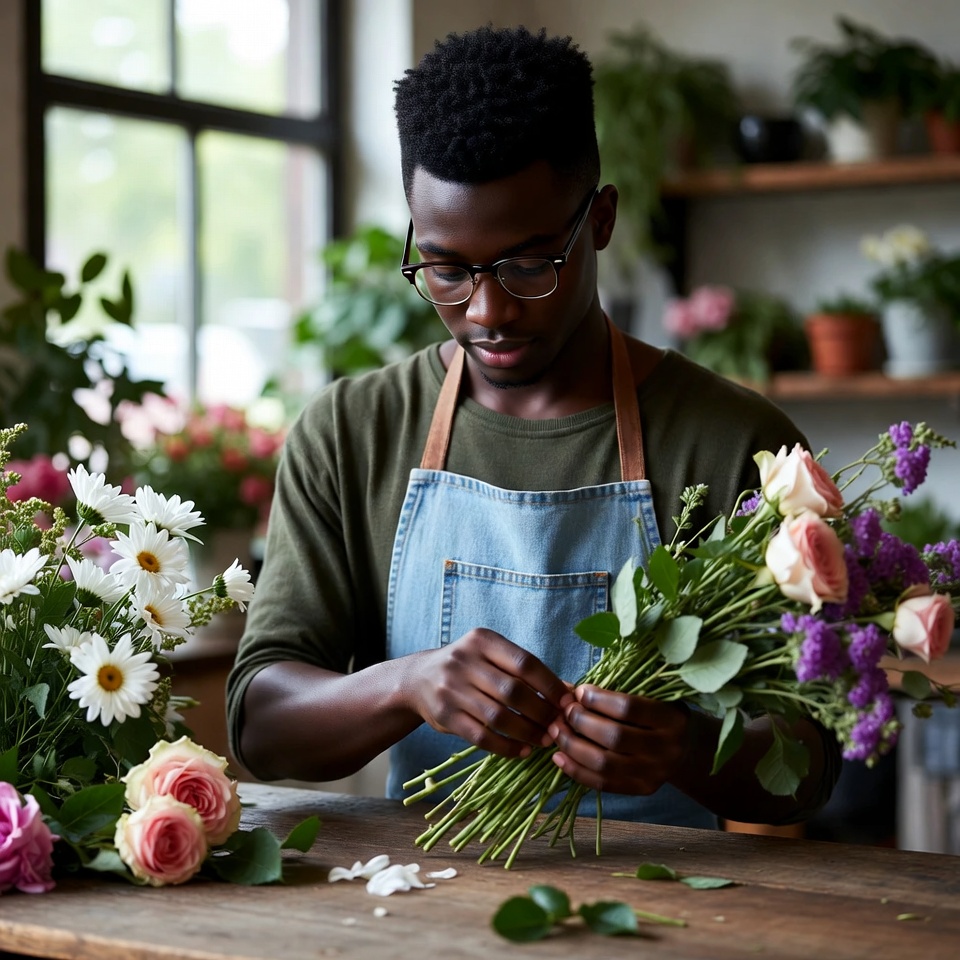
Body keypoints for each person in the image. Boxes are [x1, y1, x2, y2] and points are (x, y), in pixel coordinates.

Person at [227, 24, 840, 829]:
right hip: (417, 890)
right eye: (446, 268)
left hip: (664, 898)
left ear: (601, 220)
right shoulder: (352, 433)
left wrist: (685, 750)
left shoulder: (736, 445)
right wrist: (407, 683)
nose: (487, 311)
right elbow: (261, 728)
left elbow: (812, 762)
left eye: (527, 265)